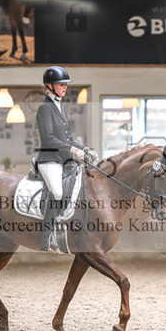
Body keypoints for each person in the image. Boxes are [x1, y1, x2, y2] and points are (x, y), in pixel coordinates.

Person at [36, 66, 98, 252]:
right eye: (61, 84)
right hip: (49, 160)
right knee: (57, 193)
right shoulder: (45, 108)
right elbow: (49, 139)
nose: (65, 88)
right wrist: (72, 151)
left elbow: (68, 139)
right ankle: (46, 238)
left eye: (65, 85)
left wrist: (84, 149)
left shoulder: (61, 109)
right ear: (50, 86)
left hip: (63, 160)